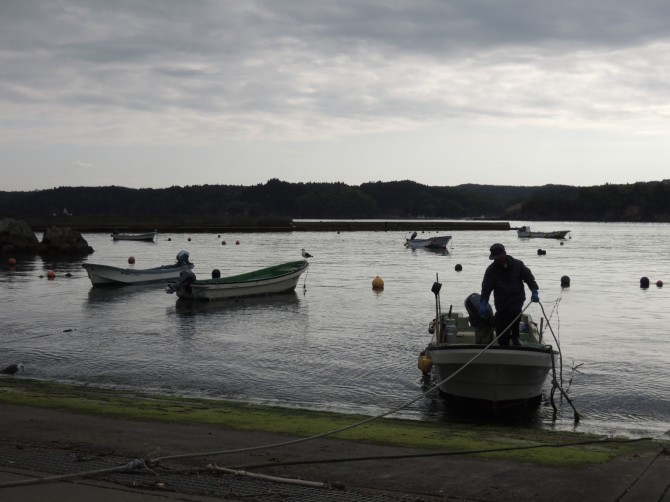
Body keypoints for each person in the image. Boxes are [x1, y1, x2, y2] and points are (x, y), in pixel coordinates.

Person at [479, 243, 539, 346]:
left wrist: (534, 290)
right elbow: (486, 288)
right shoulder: (491, 271)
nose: (497, 260)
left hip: (517, 298)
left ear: (504, 254)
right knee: (501, 325)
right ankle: (503, 342)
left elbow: (529, 278)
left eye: (499, 257)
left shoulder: (518, 265)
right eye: (495, 258)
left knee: (514, 313)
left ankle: (515, 337)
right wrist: (483, 302)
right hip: (501, 301)